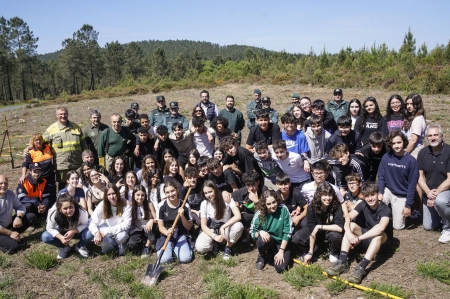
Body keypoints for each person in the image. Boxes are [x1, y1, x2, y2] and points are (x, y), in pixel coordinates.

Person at [325, 182, 393, 284]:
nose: (370, 199)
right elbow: (348, 217)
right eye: (367, 196)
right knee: (351, 225)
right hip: (367, 238)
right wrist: (348, 232)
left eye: (372, 195)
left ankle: (361, 268)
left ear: (377, 194)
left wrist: (358, 239)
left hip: (383, 243)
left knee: (378, 235)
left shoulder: (384, 209)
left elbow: (381, 228)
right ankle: (343, 262)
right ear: (363, 196)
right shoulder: (363, 204)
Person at [293, 182, 344, 264]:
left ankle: (334, 251)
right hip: (317, 234)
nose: (328, 198)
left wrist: (320, 226)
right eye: (325, 195)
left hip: (330, 231)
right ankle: (314, 249)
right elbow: (311, 231)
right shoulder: (311, 208)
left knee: (335, 236)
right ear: (319, 195)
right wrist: (310, 252)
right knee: (297, 237)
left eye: (330, 195)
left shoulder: (336, 206)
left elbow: (340, 227)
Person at [378, 130, 418, 230]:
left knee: (398, 227)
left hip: (402, 195)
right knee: (377, 202)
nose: (396, 146)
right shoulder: (386, 157)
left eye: (399, 142)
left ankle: (397, 213)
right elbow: (381, 176)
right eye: (393, 143)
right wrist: (380, 192)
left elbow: (412, 185)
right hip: (388, 191)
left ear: (404, 142)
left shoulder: (411, 161)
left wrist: (408, 205)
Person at [418, 124, 450, 242]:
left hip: (446, 191)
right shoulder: (423, 152)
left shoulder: (448, 151)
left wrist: (435, 194)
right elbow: (420, 178)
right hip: (430, 192)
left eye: (436, 135)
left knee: (441, 200)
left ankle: (448, 228)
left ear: (441, 135)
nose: (433, 138)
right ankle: (444, 217)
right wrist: (427, 192)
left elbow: (449, 179)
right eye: (430, 136)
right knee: (429, 226)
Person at [196, 180, 243, 260]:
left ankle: (228, 247)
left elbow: (238, 216)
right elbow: (203, 226)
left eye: (210, 191)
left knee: (239, 226)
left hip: (227, 227)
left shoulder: (226, 198)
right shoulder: (204, 203)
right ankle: (215, 244)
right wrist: (214, 236)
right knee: (200, 247)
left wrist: (223, 227)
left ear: (215, 189)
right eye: (206, 193)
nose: (208, 195)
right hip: (213, 228)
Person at [43, 107, 87, 190]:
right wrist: (29, 148)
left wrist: (85, 157)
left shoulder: (76, 127)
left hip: (76, 163)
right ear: (56, 115)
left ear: (68, 114)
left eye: (65, 114)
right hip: (62, 165)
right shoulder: (51, 129)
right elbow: (39, 142)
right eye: (61, 114)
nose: (63, 116)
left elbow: (84, 145)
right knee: (63, 187)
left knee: (78, 184)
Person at [250, 190, 293, 273]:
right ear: (264, 205)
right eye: (268, 204)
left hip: (282, 242)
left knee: (280, 268)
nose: (272, 206)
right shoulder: (259, 214)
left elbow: (288, 231)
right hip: (270, 240)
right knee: (261, 240)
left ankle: (278, 252)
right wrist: (260, 232)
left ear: (277, 200)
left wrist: (281, 251)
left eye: (274, 202)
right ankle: (262, 255)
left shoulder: (283, 209)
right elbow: (252, 232)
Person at [42, 193, 93, 259]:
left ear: (74, 205)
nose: (69, 211)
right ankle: (64, 247)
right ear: (60, 209)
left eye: (71, 207)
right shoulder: (54, 213)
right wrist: (60, 237)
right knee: (45, 236)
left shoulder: (81, 212)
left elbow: (86, 224)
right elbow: (49, 228)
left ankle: (80, 246)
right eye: (65, 208)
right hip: (62, 231)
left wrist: (74, 231)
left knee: (91, 231)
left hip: (77, 231)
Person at [155, 181, 193, 264]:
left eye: (172, 191)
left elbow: (189, 227)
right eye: (167, 192)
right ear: (165, 194)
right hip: (167, 235)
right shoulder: (161, 206)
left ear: (177, 190)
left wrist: (182, 216)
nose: (171, 194)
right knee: (164, 260)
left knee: (186, 259)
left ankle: (180, 247)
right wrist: (166, 232)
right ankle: (169, 248)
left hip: (180, 234)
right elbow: (161, 226)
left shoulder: (185, 206)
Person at [89, 183, 131, 255]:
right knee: (98, 241)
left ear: (118, 193)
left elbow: (127, 224)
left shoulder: (125, 203)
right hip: (107, 228)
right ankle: (111, 245)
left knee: (122, 237)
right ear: (106, 196)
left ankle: (119, 244)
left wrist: (107, 231)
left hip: (120, 230)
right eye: (109, 194)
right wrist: (96, 233)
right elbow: (92, 221)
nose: (112, 197)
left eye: (113, 193)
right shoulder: (103, 204)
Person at [0, 175, 36, 253]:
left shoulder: (9, 193)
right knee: (14, 248)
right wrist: (11, 233)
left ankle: (10, 237)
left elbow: (20, 206)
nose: (3, 185)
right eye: (1, 183)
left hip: (9, 225)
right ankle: (8, 239)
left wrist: (19, 217)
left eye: (5, 183)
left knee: (31, 217)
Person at [20, 133, 56, 205]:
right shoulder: (31, 152)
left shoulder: (47, 147)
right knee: (42, 197)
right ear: (33, 142)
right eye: (36, 140)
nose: (38, 142)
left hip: (50, 177)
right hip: (40, 178)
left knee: (52, 195)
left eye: (40, 139)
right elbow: (25, 164)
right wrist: (23, 175)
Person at [127, 185, 154, 258]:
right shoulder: (131, 206)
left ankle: (146, 247)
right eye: (138, 195)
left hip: (147, 227)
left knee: (152, 229)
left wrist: (151, 220)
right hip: (137, 228)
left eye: (142, 195)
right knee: (132, 245)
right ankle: (143, 243)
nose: (140, 197)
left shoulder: (149, 204)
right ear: (134, 195)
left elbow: (156, 218)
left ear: (145, 195)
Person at [403, 93, 426, 158]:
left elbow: (413, 141)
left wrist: (404, 155)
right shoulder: (411, 118)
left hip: (414, 151)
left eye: (411, 104)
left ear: (417, 105)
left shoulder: (418, 119)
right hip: (409, 149)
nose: (409, 106)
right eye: (407, 104)